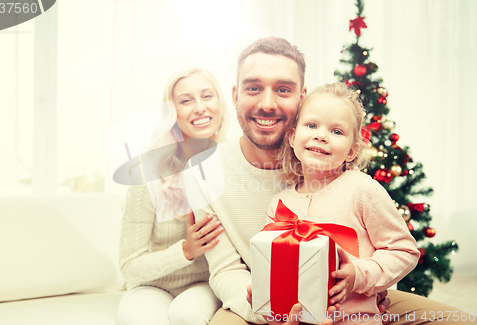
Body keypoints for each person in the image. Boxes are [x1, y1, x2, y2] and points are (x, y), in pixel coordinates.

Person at [183, 37, 469, 325]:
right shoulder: (210, 177)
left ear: (301, 96)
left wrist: (365, 282)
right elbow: (226, 270)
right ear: (235, 95)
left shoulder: (344, 174)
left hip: (355, 306)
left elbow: (393, 248)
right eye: (253, 87)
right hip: (262, 306)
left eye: (283, 89)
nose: (267, 103)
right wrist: (266, 308)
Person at [264, 81, 420, 324]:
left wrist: (358, 275)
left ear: (351, 151)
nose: (321, 135)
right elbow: (272, 266)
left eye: (337, 131)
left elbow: (404, 251)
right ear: (293, 138)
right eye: (311, 125)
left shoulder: (362, 190)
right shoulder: (279, 203)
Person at [117, 67, 229, 325]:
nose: (199, 107)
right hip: (150, 286)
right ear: (172, 114)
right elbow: (129, 265)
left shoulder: (231, 165)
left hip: (204, 285)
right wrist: (186, 251)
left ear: (220, 105)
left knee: (187, 314)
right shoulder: (146, 173)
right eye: (186, 100)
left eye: (207, 96)